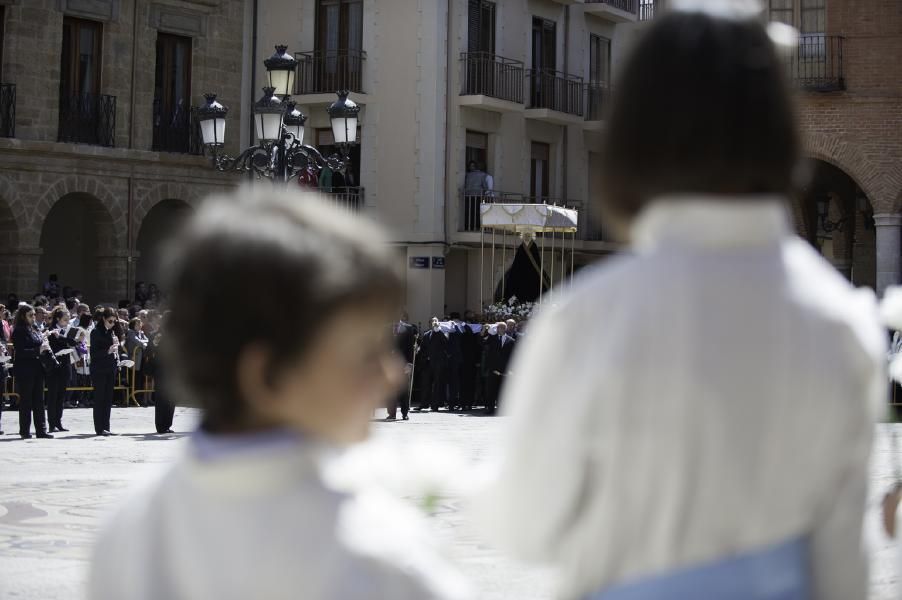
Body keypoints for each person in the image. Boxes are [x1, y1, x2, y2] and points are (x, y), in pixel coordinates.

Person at [474, 8, 884, 600]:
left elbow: (527, 526)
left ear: (636, 133)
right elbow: (844, 562)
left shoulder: (591, 315)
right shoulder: (845, 323)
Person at [88, 187, 467, 600]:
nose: (390, 374)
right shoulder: (380, 554)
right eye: (364, 352)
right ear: (267, 374)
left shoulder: (130, 527)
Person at [12, 304, 52, 439]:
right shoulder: (19, 330)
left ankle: (41, 430)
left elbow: (39, 342)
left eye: (34, 315)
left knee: (39, 401)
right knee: (26, 401)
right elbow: (21, 351)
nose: (34, 317)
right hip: (25, 369)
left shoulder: (34, 328)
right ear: (23, 316)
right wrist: (38, 350)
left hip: (38, 368)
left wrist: (44, 342)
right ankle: (24, 430)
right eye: (31, 315)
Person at [90, 307, 122, 436]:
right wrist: (108, 351)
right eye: (110, 321)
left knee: (108, 399)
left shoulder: (111, 332)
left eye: (114, 321)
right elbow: (94, 353)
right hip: (99, 369)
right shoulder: (95, 332)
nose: (112, 323)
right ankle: (99, 428)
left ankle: (106, 427)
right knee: (99, 399)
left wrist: (116, 348)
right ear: (103, 319)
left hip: (110, 368)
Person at [46, 307, 77, 432]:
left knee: (61, 396)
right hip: (54, 366)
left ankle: (58, 421)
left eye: (68, 319)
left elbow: (73, 342)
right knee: (53, 395)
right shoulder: (50, 330)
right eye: (65, 319)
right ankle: (52, 423)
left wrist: (64, 338)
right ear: (58, 319)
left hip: (65, 365)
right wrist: (60, 338)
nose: (67, 322)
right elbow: (52, 343)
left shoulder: (67, 330)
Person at [387, 313, 418, 421]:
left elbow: (410, 347)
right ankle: (391, 413)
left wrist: (409, 363)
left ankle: (405, 413)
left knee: (404, 389)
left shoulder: (408, 328)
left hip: (403, 363)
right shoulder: (386, 328)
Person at [419, 317, 451, 411]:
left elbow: (446, 343)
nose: (434, 323)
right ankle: (424, 403)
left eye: (435, 321)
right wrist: (419, 351)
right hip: (427, 363)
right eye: (432, 321)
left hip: (438, 363)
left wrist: (438, 330)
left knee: (437, 384)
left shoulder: (442, 333)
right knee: (425, 384)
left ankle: (435, 404)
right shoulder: (426, 334)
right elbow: (423, 348)